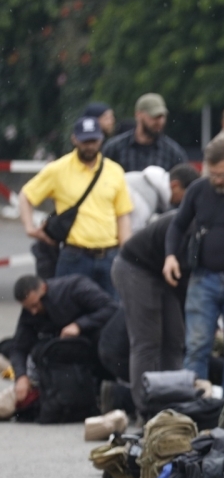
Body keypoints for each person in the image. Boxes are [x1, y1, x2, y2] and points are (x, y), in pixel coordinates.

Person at [164, 137, 224, 396]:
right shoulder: (198, 189)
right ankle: (193, 405)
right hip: (202, 277)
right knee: (196, 345)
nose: (217, 180)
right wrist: (170, 256)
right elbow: (177, 225)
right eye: (213, 174)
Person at [112, 164, 198, 416]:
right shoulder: (188, 226)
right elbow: (185, 281)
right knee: (147, 340)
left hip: (161, 271)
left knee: (174, 337)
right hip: (134, 267)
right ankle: (146, 408)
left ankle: (172, 401)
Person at [19, 116, 133, 299]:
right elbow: (26, 195)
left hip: (109, 255)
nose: (90, 146)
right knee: (68, 308)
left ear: (101, 139)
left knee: (114, 310)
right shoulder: (58, 169)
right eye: (85, 141)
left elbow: (122, 215)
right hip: (75, 256)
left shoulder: (115, 171)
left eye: (94, 141)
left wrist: (125, 252)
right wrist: (29, 227)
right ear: (74, 139)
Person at [10, 274, 117, 406]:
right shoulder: (30, 313)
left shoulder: (74, 287)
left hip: (96, 344)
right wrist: (21, 376)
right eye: (28, 308)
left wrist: (79, 325)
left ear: (44, 288)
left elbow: (111, 308)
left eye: (35, 305)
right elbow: (18, 348)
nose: (33, 312)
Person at [103, 94, 186, 172]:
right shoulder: (114, 148)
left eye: (162, 117)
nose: (160, 121)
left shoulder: (173, 153)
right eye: (154, 116)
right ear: (138, 115)